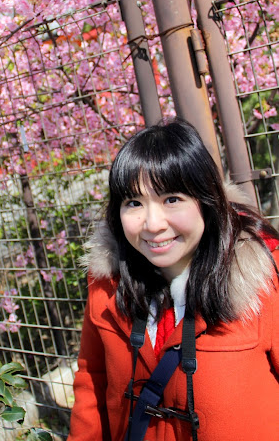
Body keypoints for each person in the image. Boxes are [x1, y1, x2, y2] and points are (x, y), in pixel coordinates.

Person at [68, 118, 279, 441]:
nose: (152, 224)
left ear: (206, 201)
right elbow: (92, 381)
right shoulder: (107, 284)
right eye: (134, 203)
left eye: (172, 199)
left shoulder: (262, 279)